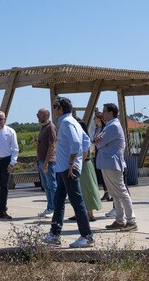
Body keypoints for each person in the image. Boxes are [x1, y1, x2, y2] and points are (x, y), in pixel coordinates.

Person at [43, 97, 94, 248]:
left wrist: (73, 164)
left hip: (68, 169)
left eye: (55, 107)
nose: (53, 110)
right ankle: (54, 234)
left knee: (76, 201)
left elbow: (77, 143)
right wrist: (79, 162)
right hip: (64, 168)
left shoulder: (66, 122)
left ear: (60, 108)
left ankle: (87, 236)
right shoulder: (73, 121)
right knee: (59, 201)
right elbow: (86, 142)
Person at [94, 102, 137, 232]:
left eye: (104, 111)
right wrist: (98, 141)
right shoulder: (109, 125)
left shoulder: (113, 126)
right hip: (108, 163)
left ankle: (131, 221)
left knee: (121, 192)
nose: (102, 114)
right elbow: (97, 140)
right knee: (114, 194)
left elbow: (99, 143)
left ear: (110, 113)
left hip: (112, 163)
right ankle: (120, 220)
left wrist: (99, 141)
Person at [77, 119, 103, 221]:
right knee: (84, 189)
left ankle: (89, 213)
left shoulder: (83, 139)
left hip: (83, 165)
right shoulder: (85, 138)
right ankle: (84, 212)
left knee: (86, 189)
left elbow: (84, 154)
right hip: (86, 165)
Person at [35, 107, 58, 218]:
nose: (37, 117)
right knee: (46, 186)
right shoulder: (43, 127)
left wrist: (46, 163)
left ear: (46, 115)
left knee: (52, 186)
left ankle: (55, 209)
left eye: (39, 115)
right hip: (41, 160)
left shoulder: (50, 127)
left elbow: (52, 146)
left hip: (48, 162)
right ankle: (50, 207)